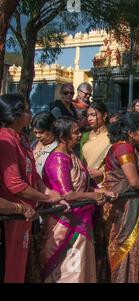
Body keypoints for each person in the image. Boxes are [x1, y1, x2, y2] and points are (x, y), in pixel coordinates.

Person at [40, 117, 113, 283]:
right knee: (68, 266)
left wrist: (102, 191)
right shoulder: (58, 159)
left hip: (81, 218)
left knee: (82, 263)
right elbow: (68, 195)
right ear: (63, 137)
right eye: (75, 132)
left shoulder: (72, 154)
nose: (80, 135)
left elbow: (83, 186)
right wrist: (94, 196)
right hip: (65, 221)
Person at [0, 94, 62, 283]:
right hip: (11, 216)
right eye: (26, 110)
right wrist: (46, 199)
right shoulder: (5, 140)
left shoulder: (22, 139)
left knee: (20, 268)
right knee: (10, 268)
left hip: (26, 215)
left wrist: (48, 194)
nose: (30, 114)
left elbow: (33, 175)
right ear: (15, 115)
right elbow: (15, 184)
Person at [102, 112, 139, 283]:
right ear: (130, 132)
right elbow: (134, 181)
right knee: (125, 244)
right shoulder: (123, 148)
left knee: (132, 243)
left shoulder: (133, 147)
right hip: (123, 206)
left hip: (131, 203)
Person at [80, 101, 111, 186]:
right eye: (88, 116)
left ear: (104, 115)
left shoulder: (112, 137)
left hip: (105, 184)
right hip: (86, 183)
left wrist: (102, 172)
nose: (89, 119)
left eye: (93, 115)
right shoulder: (84, 136)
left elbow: (117, 162)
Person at [31, 112, 57, 178]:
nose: (37, 136)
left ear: (52, 129)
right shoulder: (33, 144)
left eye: (41, 132)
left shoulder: (58, 149)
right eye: (35, 132)